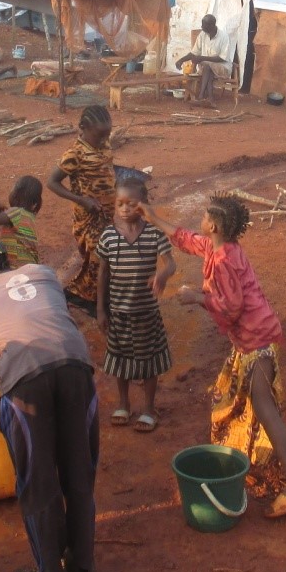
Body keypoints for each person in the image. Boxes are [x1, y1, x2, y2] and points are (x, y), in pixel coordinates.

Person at [144, 195, 286, 517]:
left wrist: (196, 297)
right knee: (251, 401)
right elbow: (185, 239)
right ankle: (256, 458)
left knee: (264, 407)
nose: (201, 220)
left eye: (205, 216)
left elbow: (232, 308)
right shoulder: (219, 248)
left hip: (257, 341)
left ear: (214, 225)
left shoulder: (222, 261)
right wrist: (152, 217)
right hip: (252, 340)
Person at [0, 237, 97, 572]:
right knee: (78, 473)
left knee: (38, 483)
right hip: (76, 369)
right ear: (8, 260)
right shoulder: (43, 273)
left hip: (26, 384)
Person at [94, 179, 174, 431]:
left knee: (148, 361)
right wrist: (100, 309)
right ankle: (124, 404)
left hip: (146, 313)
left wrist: (162, 275)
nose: (125, 208)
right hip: (118, 312)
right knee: (120, 360)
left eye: (131, 203)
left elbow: (171, 263)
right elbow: (103, 273)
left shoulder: (153, 233)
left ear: (143, 205)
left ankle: (149, 408)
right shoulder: (108, 236)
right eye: (120, 203)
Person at [46, 105, 115, 314]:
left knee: (108, 254)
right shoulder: (74, 153)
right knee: (97, 256)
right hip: (88, 216)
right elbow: (52, 182)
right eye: (99, 136)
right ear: (83, 128)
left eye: (107, 135)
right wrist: (81, 200)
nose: (104, 140)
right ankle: (91, 300)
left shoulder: (104, 144)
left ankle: (95, 294)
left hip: (109, 213)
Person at [175, 14, 234, 107]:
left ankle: (201, 96)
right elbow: (194, 52)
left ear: (211, 25)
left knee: (207, 65)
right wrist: (181, 60)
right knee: (207, 68)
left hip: (223, 68)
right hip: (208, 69)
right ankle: (210, 99)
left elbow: (222, 58)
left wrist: (202, 58)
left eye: (204, 25)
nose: (202, 27)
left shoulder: (224, 37)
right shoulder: (202, 35)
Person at [0, 175, 43, 268]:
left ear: (15, 196)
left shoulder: (17, 212)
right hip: (29, 264)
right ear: (35, 204)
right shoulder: (28, 215)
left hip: (17, 265)